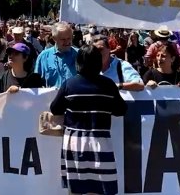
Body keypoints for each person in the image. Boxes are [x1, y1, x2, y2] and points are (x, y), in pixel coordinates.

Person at [50, 45, 127, 195]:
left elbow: (55, 109)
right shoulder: (108, 85)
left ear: (79, 62)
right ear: (98, 62)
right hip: (100, 143)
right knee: (101, 187)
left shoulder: (70, 84)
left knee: (76, 189)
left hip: (74, 143)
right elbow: (121, 110)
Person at [34, 22, 78, 87]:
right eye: (63, 39)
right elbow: (36, 83)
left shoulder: (80, 55)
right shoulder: (43, 57)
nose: (67, 42)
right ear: (54, 39)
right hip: (51, 97)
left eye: (69, 38)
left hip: (73, 96)